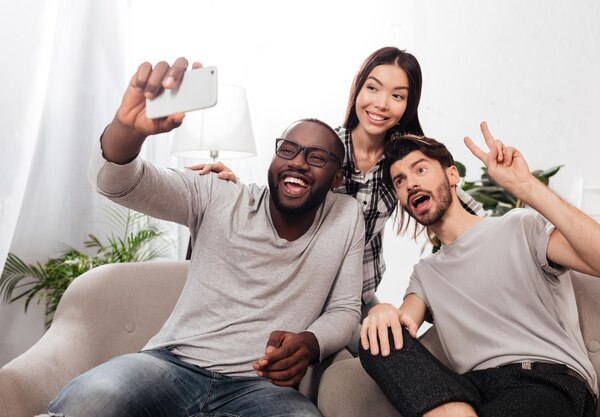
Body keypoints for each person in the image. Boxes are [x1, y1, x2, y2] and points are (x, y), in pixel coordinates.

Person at [46, 57, 365, 417]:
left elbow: (344, 310)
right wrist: (128, 129)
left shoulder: (346, 216)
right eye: (287, 150)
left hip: (260, 387)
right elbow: (118, 183)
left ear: (337, 178)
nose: (298, 162)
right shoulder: (219, 194)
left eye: (317, 157)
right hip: (172, 365)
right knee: (89, 400)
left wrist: (310, 344)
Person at [190, 47, 485, 351]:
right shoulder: (323, 148)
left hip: (360, 296)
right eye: (372, 88)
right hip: (305, 295)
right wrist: (234, 188)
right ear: (358, 89)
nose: (381, 104)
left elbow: (457, 207)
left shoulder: (401, 162)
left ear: (408, 106)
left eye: (397, 96)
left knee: (398, 351)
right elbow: (283, 195)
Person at [359, 122, 600, 417]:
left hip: (543, 382)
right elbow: (400, 331)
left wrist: (525, 187)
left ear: (452, 174)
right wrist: (380, 312)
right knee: (375, 342)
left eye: (420, 170)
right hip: (471, 394)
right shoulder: (426, 273)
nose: (410, 184)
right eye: (399, 181)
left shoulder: (519, 227)